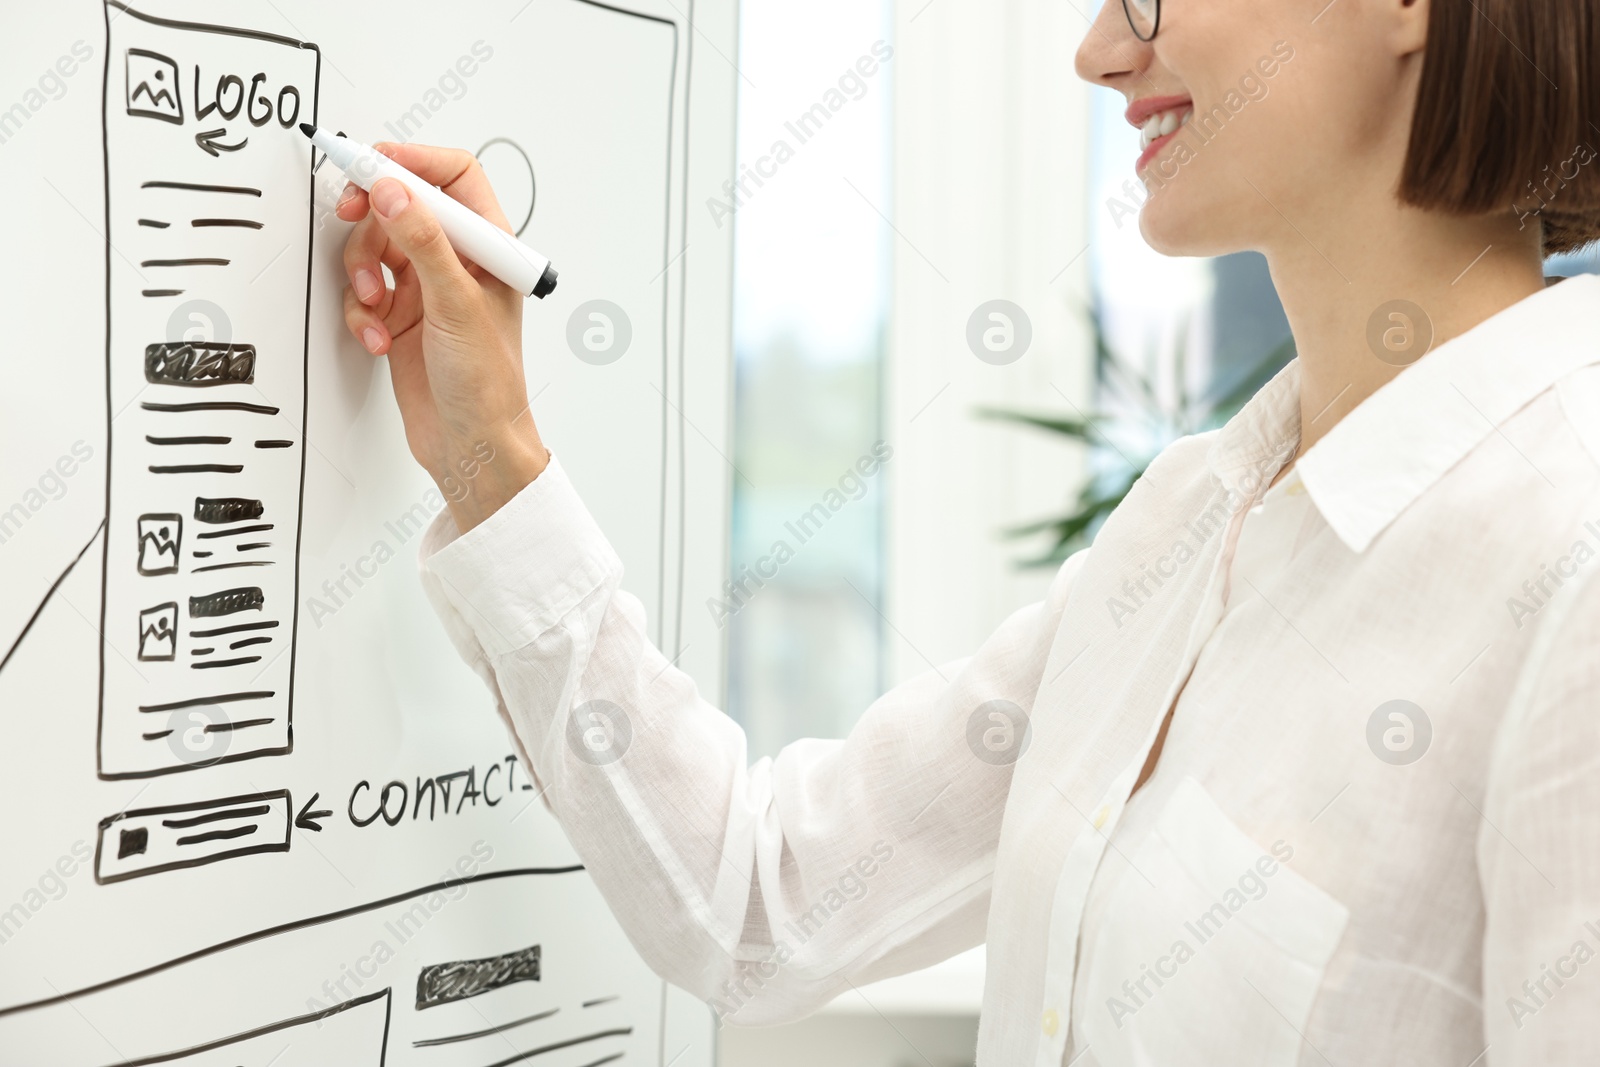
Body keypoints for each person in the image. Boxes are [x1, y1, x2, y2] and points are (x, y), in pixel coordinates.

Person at [333, 0, 1600, 1062]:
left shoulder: (1566, 557)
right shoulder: (1189, 518)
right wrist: (489, 457)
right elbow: (756, 903)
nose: (1100, 47)